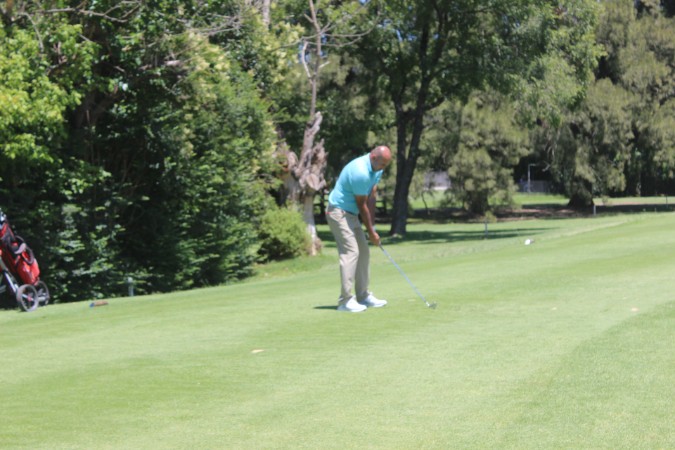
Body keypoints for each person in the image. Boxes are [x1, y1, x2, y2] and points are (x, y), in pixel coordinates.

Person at [326, 145, 393, 312]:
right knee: (351, 252)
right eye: (382, 164)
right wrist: (371, 232)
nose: (383, 168)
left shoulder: (377, 169)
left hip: (351, 214)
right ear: (373, 158)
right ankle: (345, 301)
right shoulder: (360, 171)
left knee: (363, 251)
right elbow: (362, 205)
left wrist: (373, 228)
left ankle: (363, 296)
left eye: (386, 165)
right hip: (338, 212)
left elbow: (372, 197)